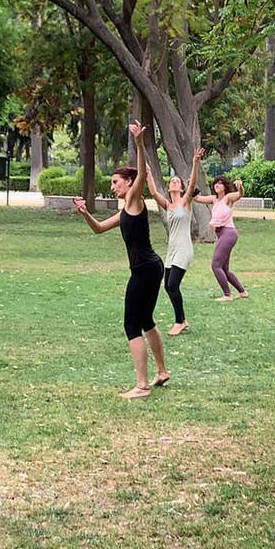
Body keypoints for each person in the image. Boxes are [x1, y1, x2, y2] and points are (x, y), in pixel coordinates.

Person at [73, 122, 169, 399]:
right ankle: (161, 371)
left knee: (131, 324)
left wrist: (139, 144)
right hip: (150, 267)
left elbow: (140, 179)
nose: (112, 186)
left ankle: (141, 386)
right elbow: (99, 229)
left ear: (128, 183)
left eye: (115, 182)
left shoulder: (134, 200)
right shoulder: (125, 211)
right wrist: (85, 213)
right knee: (147, 320)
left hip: (144, 270)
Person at [147, 146, 204, 335]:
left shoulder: (185, 202)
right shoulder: (169, 205)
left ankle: (180, 321)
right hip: (171, 250)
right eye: (171, 180)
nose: (173, 182)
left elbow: (193, 182)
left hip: (184, 249)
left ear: (181, 187)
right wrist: (146, 171)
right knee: (167, 286)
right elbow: (154, 192)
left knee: (173, 285)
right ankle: (182, 320)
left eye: (176, 181)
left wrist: (195, 162)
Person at [196, 176, 248, 301]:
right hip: (221, 235)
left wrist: (240, 187)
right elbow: (197, 198)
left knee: (215, 265)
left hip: (228, 233)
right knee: (224, 268)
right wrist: (192, 186)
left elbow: (239, 195)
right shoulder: (214, 199)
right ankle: (242, 292)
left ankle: (227, 295)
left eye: (220, 184)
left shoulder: (228, 198)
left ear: (225, 186)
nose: (217, 185)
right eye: (215, 184)